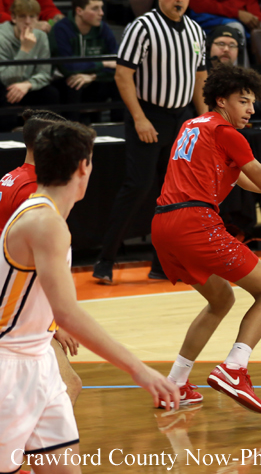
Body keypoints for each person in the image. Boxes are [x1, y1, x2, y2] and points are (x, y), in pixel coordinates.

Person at [0, 121, 180, 474]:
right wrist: (139, 370)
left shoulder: (44, 215)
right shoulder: (45, 222)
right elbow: (68, 313)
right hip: (9, 365)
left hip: (39, 361)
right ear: (84, 166)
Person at [151, 64, 261, 413]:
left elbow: (251, 184)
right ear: (221, 100)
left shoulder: (192, 126)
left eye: (253, 102)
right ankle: (234, 368)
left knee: (221, 300)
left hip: (162, 225)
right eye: (243, 101)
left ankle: (175, 383)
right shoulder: (227, 133)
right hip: (194, 222)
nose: (251, 109)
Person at [92, 0, 208, 285]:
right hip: (147, 115)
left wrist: (204, 121)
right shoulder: (142, 27)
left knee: (173, 194)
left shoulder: (196, 31)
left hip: (181, 119)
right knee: (138, 187)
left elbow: (200, 78)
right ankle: (105, 260)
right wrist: (140, 118)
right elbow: (122, 75)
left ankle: (162, 264)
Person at [0, 109, 82, 408]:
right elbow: (39, 266)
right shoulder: (33, 190)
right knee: (66, 387)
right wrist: (57, 323)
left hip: (13, 303)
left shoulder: (11, 177)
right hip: (16, 311)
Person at [49, 0, 121, 124]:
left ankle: (119, 127)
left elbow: (118, 63)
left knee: (121, 80)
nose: (101, 13)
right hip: (66, 85)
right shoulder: (61, 29)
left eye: (101, 8)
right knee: (74, 82)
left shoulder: (103, 29)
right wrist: (103, 63)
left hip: (94, 80)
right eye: (95, 9)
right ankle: (71, 130)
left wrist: (93, 76)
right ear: (79, 11)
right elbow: (67, 67)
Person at [0, 0, 58, 125]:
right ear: (13, 18)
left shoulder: (41, 36)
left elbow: (45, 73)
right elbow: (6, 78)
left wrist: (27, 84)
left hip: (27, 86)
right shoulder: (1, 38)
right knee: (7, 96)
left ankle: (45, 133)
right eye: (22, 16)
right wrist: (24, 50)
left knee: (51, 94)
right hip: (6, 86)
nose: (27, 22)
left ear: (37, 18)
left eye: (32, 17)